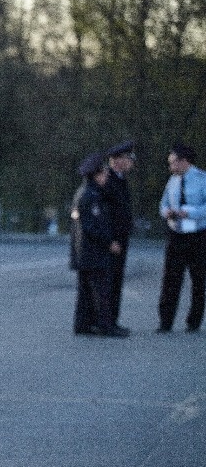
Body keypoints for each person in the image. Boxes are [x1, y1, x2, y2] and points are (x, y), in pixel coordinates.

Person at [69, 153, 127, 337]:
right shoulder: (91, 196)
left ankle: (83, 324)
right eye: (103, 174)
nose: (106, 178)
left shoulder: (83, 192)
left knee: (85, 292)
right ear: (97, 175)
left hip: (84, 253)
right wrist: (110, 243)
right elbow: (92, 226)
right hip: (94, 253)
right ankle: (105, 325)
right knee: (101, 291)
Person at [157, 143, 206, 333]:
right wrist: (166, 212)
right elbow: (162, 204)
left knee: (198, 279)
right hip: (176, 234)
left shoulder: (202, 179)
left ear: (184, 161)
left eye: (172, 163)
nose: (170, 167)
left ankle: (193, 321)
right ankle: (165, 321)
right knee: (170, 279)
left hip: (197, 235)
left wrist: (191, 213)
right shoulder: (172, 181)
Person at [104, 140, 135, 333]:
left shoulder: (120, 178)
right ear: (117, 160)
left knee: (116, 279)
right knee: (109, 280)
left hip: (120, 237)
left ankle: (112, 320)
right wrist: (110, 239)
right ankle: (107, 321)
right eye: (128, 158)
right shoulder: (108, 180)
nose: (131, 162)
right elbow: (107, 213)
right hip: (112, 239)